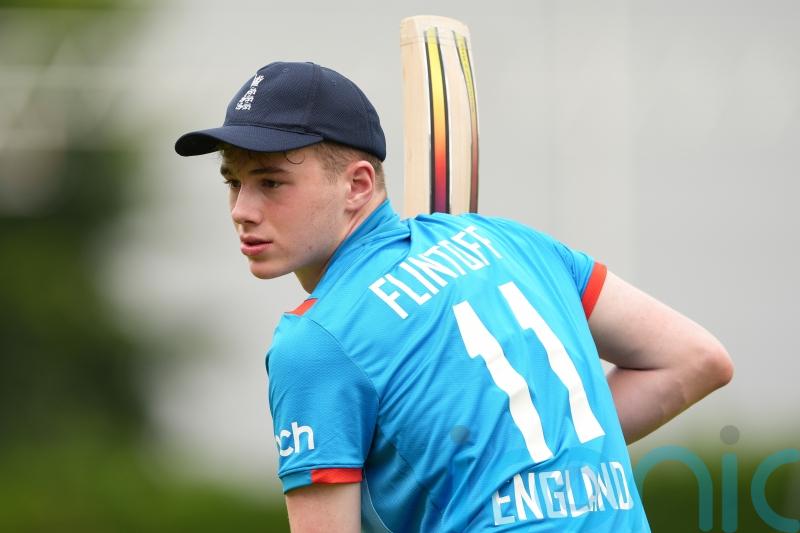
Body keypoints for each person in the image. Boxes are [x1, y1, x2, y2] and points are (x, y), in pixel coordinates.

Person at [175, 61, 733, 532]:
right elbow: (695, 359)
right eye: (233, 181)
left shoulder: (316, 341)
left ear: (358, 185)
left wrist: (490, 469)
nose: (242, 209)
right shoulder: (515, 243)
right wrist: (523, 461)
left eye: (271, 182)